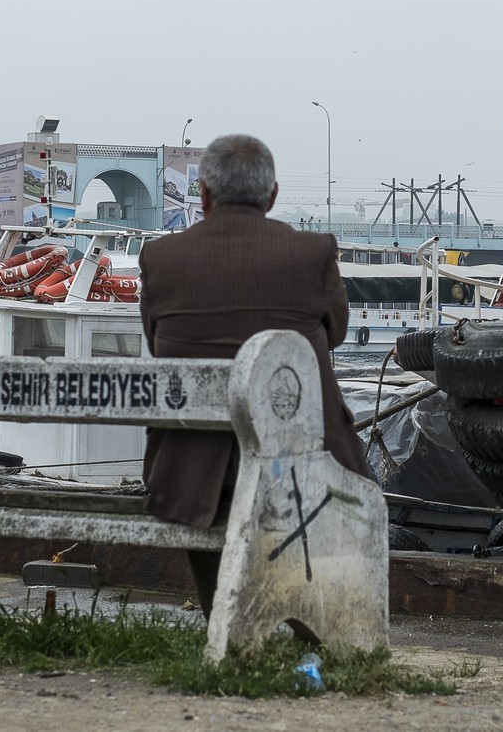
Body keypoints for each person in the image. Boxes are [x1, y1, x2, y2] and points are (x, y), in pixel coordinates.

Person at [137, 132, 370, 616]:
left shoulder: (161, 259)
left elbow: (158, 346)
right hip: (303, 470)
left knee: (210, 502)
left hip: (194, 479)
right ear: (272, 196)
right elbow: (338, 333)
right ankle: (307, 627)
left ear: (203, 195)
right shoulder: (313, 254)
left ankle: (225, 618)